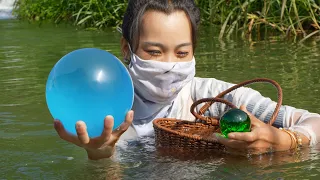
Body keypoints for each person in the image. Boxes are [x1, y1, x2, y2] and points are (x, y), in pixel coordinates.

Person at [53, 0, 320, 160]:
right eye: (154, 51)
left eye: (182, 52)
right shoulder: (104, 113)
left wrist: (286, 140)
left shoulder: (216, 98)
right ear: (127, 48)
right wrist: (100, 156)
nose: (170, 65)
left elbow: (314, 122)